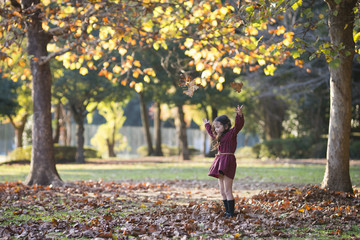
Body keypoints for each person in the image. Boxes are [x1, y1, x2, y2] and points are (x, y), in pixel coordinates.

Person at [202, 105, 244, 217]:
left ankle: (231, 212)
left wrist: (239, 115)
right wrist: (207, 125)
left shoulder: (231, 134)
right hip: (219, 161)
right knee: (222, 190)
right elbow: (211, 134)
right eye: (215, 127)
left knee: (228, 190)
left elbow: (238, 126)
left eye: (218, 126)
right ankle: (227, 211)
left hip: (228, 161)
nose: (216, 129)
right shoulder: (219, 136)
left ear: (226, 126)